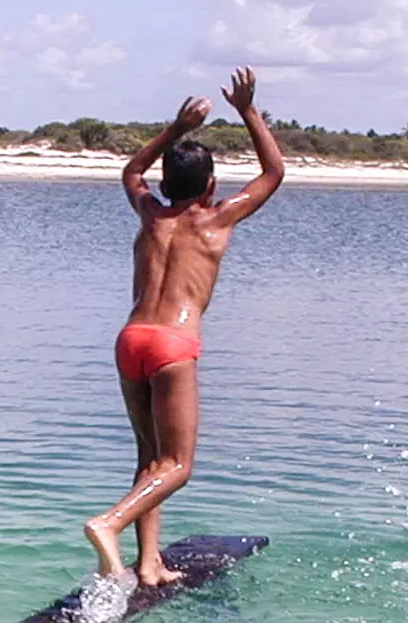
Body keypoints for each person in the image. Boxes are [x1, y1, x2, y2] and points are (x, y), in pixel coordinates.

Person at [82, 66, 285, 588]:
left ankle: (149, 563)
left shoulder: (150, 213)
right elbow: (273, 174)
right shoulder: (217, 220)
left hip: (130, 340)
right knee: (178, 466)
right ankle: (109, 524)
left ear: (165, 183)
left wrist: (174, 129)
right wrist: (247, 111)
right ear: (212, 185)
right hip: (173, 343)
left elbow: (131, 172)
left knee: (150, 458)